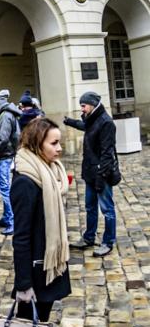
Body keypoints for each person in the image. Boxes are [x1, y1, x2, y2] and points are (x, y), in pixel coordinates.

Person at [0, 117, 70, 327]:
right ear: (36, 144)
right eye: (54, 143)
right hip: (35, 268)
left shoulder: (51, 172)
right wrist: (23, 283)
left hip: (51, 264)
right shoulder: (26, 180)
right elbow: (21, 237)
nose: (60, 149)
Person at [64, 91, 119, 257]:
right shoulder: (93, 119)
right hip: (90, 172)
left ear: (92, 105)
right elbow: (86, 127)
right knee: (90, 207)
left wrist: (102, 177)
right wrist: (70, 122)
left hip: (101, 173)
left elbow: (107, 154)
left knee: (107, 209)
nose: (82, 109)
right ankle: (89, 237)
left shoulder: (106, 122)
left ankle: (108, 241)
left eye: (83, 106)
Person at [0, 89, 22, 236]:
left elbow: (3, 138)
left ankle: (12, 221)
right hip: (6, 155)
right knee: (5, 189)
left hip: (4, 156)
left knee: (5, 190)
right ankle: (6, 217)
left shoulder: (5, 116)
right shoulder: (8, 114)